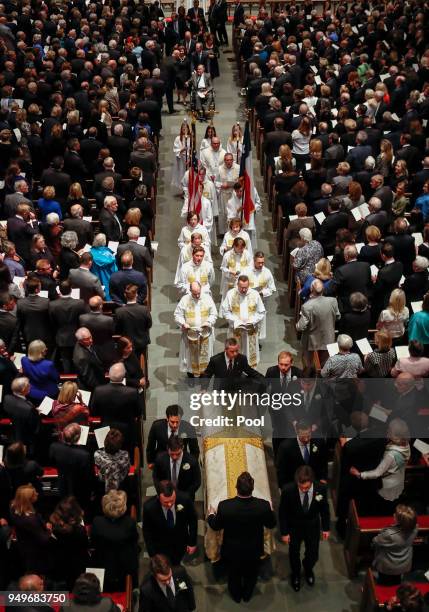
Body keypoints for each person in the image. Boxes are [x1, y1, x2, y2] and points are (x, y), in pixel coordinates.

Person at [207, 471, 276, 603]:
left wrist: (211, 514)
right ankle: (247, 594)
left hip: (232, 550)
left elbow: (215, 525)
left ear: (236, 487)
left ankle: (236, 595)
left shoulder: (225, 506)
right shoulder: (263, 506)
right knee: (252, 574)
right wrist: (271, 511)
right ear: (253, 488)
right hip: (253, 549)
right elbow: (272, 524)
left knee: (233, 574)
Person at [279, 465, 330, 592]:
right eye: (300, 487)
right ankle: (296, 574)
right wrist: (284, 532)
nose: (303, 489)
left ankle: (308, 569)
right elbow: (283, 513)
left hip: (312, 526)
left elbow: (324, 509)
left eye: (306, 487)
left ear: (312, 481)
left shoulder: (320, 489)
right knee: (294, 552)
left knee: (313, 553)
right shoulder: (288, 490)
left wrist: (326, 528)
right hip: (294, 527)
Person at [350, 419, 411, 515]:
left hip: (387, 486)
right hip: (398, 480)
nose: (387, 431)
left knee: (383, 508)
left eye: (389, 430)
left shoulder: (391, 455)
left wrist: (359, 474)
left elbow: (377, 473)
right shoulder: (406, 444)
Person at [91, 490, 139, 590]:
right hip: (124, 566)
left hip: (103, 565)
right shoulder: (129, 523)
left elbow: (94, 542)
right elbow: (135, 539)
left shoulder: (97, 522)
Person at [142, 480, 198, 566]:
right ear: (158, 497)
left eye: (172, 500)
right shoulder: (149, 507)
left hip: (181, 542)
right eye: (165, 502)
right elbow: (146, 531)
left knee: (177, 564)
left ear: (174, 493)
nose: (169, 504)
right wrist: (152, 554)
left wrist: (192, 542)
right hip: (160, 546)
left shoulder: (185, 499)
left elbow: (193, 520)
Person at [90, 363, 140, 453]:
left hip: (105, 430)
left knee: (104, 457)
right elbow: (138, 412)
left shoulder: (98, 391)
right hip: (127, 431)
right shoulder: (132, 392)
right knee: (125, 458)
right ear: (123, 376)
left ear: (108, 374)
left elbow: (93, 412)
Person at [174, 281, 217, 377]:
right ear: (190, 291)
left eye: (198, 293)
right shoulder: (185, 300)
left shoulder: (207, 298)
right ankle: (191, 375)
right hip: (190, 335)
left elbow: (214, 313)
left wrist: (208, 322)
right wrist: (183, 323)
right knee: (190, 356)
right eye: (194, 293)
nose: (197, 296)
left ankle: (204, 375)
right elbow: (177, 315)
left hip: (204, 334)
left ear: (201, 289)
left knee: (204, 356)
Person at [221, 275, 266, 367]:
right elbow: (225, 311)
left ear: (249, 285)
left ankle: (249, 372)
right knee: (235, 354)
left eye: (246, 287)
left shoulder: (254, 294)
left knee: (250, 356)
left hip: (250, 331)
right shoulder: (231, 294)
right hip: (236, 329)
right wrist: (235, 321)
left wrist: (253, 321)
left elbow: (261, 312)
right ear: (237, 285)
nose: (244, 290)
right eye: (241, 287)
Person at [9, 484, 53, 575]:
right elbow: (44, 539)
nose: (37, 493)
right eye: (34, 493)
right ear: (28, 499)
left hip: (24, 544)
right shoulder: (30, 519)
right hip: (35, 552)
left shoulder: (14, 507)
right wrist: (49, 530)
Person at [296, 279, 341, 367]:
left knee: (309, 365)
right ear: (323, 289)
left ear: (311, 289)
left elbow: (301, 327)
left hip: (311, 341)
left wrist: (297, 325)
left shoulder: (307, 306)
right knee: (324, 364)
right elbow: (338, 317)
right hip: (328, 337)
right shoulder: (333, 301)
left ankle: (309, 375)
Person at [372, 505, 418, 586]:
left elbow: (376, 541)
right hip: (404, 563)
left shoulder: (390, 534)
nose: (394, 514)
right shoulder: (415, 528)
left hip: (388, 565)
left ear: (399, 521)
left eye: (396, 515)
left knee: (384, 583)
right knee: (396, 581)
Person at [49, 422, 93, 506]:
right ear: (78, 437)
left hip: (62, 485)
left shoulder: (54, 447)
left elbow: (52, 463)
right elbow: (88, 476)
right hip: (80, 489)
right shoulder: (84, 455)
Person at [49, 496, 89, 589]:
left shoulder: (55, 525)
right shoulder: (79, 531)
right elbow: (85, 545)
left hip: (61, 562)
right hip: (77, 563)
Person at [276, 420, 328, 488]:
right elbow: (281, 469)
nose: (306, 439)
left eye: (308, 436)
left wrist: (323, 478)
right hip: (294, 485)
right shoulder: (285, 446)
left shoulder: (319, 442)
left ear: (311, 431)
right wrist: (284, 487)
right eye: (303, 437)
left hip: (315, 484)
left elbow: (323, 462)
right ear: (297, 432)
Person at [0, 442, 43, 517]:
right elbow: (41, 472)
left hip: (13, 495)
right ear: (21, 455)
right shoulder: (31, 465)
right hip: (29, 494)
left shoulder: (4, 468)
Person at [153, 435, 201, 501]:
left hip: (186, 498)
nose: (174, 457)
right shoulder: (160, 459)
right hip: (165, 497)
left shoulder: (192, 461)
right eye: (172, 454)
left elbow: (197, 482)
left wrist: (184, 496)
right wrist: (162, 492)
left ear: (182, 448)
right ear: (168, 448)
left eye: (178, 454)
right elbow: (156, 478)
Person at [244, 251, 276, 341]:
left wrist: (262, 293)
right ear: (254, 261)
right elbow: (238, 285)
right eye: (259, 262)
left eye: (262, 262)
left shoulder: (267, 272)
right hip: (248, 302)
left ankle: (257, 341)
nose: (261, 264)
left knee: (259, 323)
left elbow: (272, 288)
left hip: (261, 302)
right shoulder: (246, 271)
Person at [114, 284, 152, 359]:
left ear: (125, 295)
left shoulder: (119, 311)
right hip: (141, 343)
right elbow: (149, 325)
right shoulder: (144, 310)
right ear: (136, 295)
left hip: (126, 344)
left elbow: (117, 329)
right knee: (142, 361)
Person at [3, 377, 40, 453]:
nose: (30, 386)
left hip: (11, 435)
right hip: (26, 440)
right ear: (23, 390)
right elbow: (35, 429)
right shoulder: (29, 409)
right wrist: (36, 414)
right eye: (28, 385)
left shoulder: (6, 398)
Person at [21, 339, 59, 404]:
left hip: (31, 392)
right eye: (45, 349)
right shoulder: (48, 364)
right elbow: (56, 378)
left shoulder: (24, 360)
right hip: (49, 394)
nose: (46, 349)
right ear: (41, 352)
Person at [94, 428, 130, 492]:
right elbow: (127, 471)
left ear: (105, 441)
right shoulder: (125, 455)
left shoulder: (97, 455)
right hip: (121, 489)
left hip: (101, 488)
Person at [90, 234, 118, 301]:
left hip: (95, 280)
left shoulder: (89, 253)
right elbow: (115, 270)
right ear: (104, 241)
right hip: (108, 281)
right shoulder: (110, 255)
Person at [172, 121, 192, 193]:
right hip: (181, 159)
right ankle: (183, 190)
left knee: (188, 174)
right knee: (182, 174)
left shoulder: (191, 138)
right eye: (183, 129)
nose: (185, 131)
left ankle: (189, 189)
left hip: (188, 159)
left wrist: (190, 156)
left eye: (186, 129)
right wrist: (182, 149)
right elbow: (175, 149)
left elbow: (192, 149)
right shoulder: (178, 138)